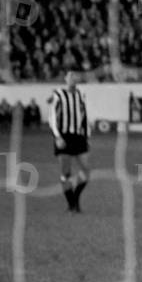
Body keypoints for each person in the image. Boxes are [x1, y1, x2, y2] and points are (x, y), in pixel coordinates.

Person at [48, 70, 91, 213]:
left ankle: (75, 199)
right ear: (65, 78)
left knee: (86, 171)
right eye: (70, 76)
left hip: (78, 137)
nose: (73, 78)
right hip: (64, 136)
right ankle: (72, 204)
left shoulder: (80, 95)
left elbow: (84, 117)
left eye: (75, 76)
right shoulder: (58, 94)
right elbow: (52, 116)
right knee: (65, 173)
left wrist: (86, 135)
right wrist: (57, 136)